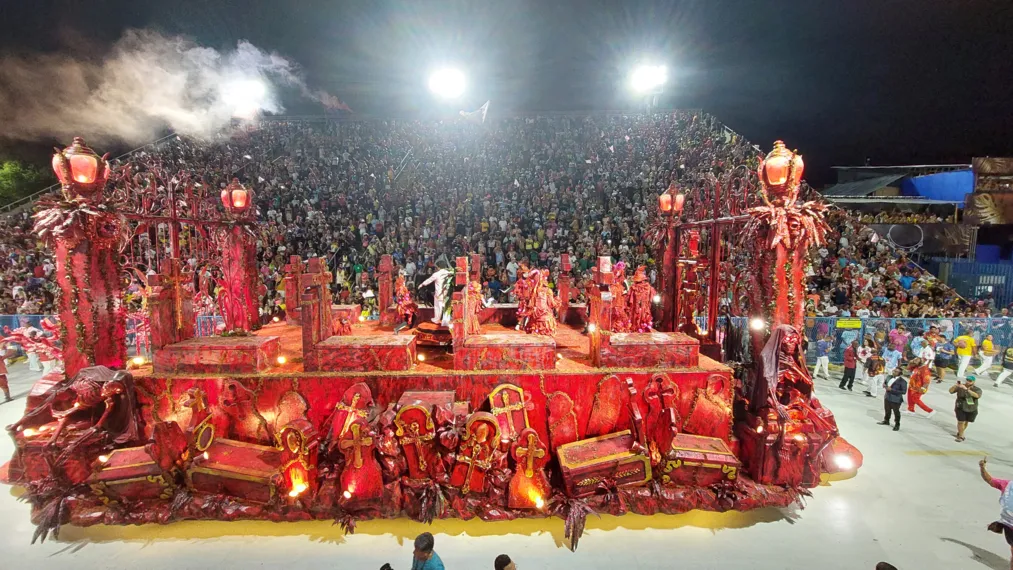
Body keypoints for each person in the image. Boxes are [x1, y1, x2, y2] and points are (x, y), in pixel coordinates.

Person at [979, 456, 1013, 570]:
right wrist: (982, 468)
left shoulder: (1008, 485)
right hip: (1009, 526)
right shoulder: (1008, 485)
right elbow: (990, 480)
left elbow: (990, 480)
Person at [949, 375, 982, 442]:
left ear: (973, 382)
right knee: (961, 422)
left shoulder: (977, 389)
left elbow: (977, 396)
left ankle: (961, 432)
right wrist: (955, 386)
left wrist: (966, 389)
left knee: (966, 422)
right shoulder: (961, 386)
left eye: (970, 381)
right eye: (967, 380)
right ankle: (961, 436)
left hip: (971, 407)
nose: (968, 382)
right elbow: (950, 391)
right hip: (960, 407)